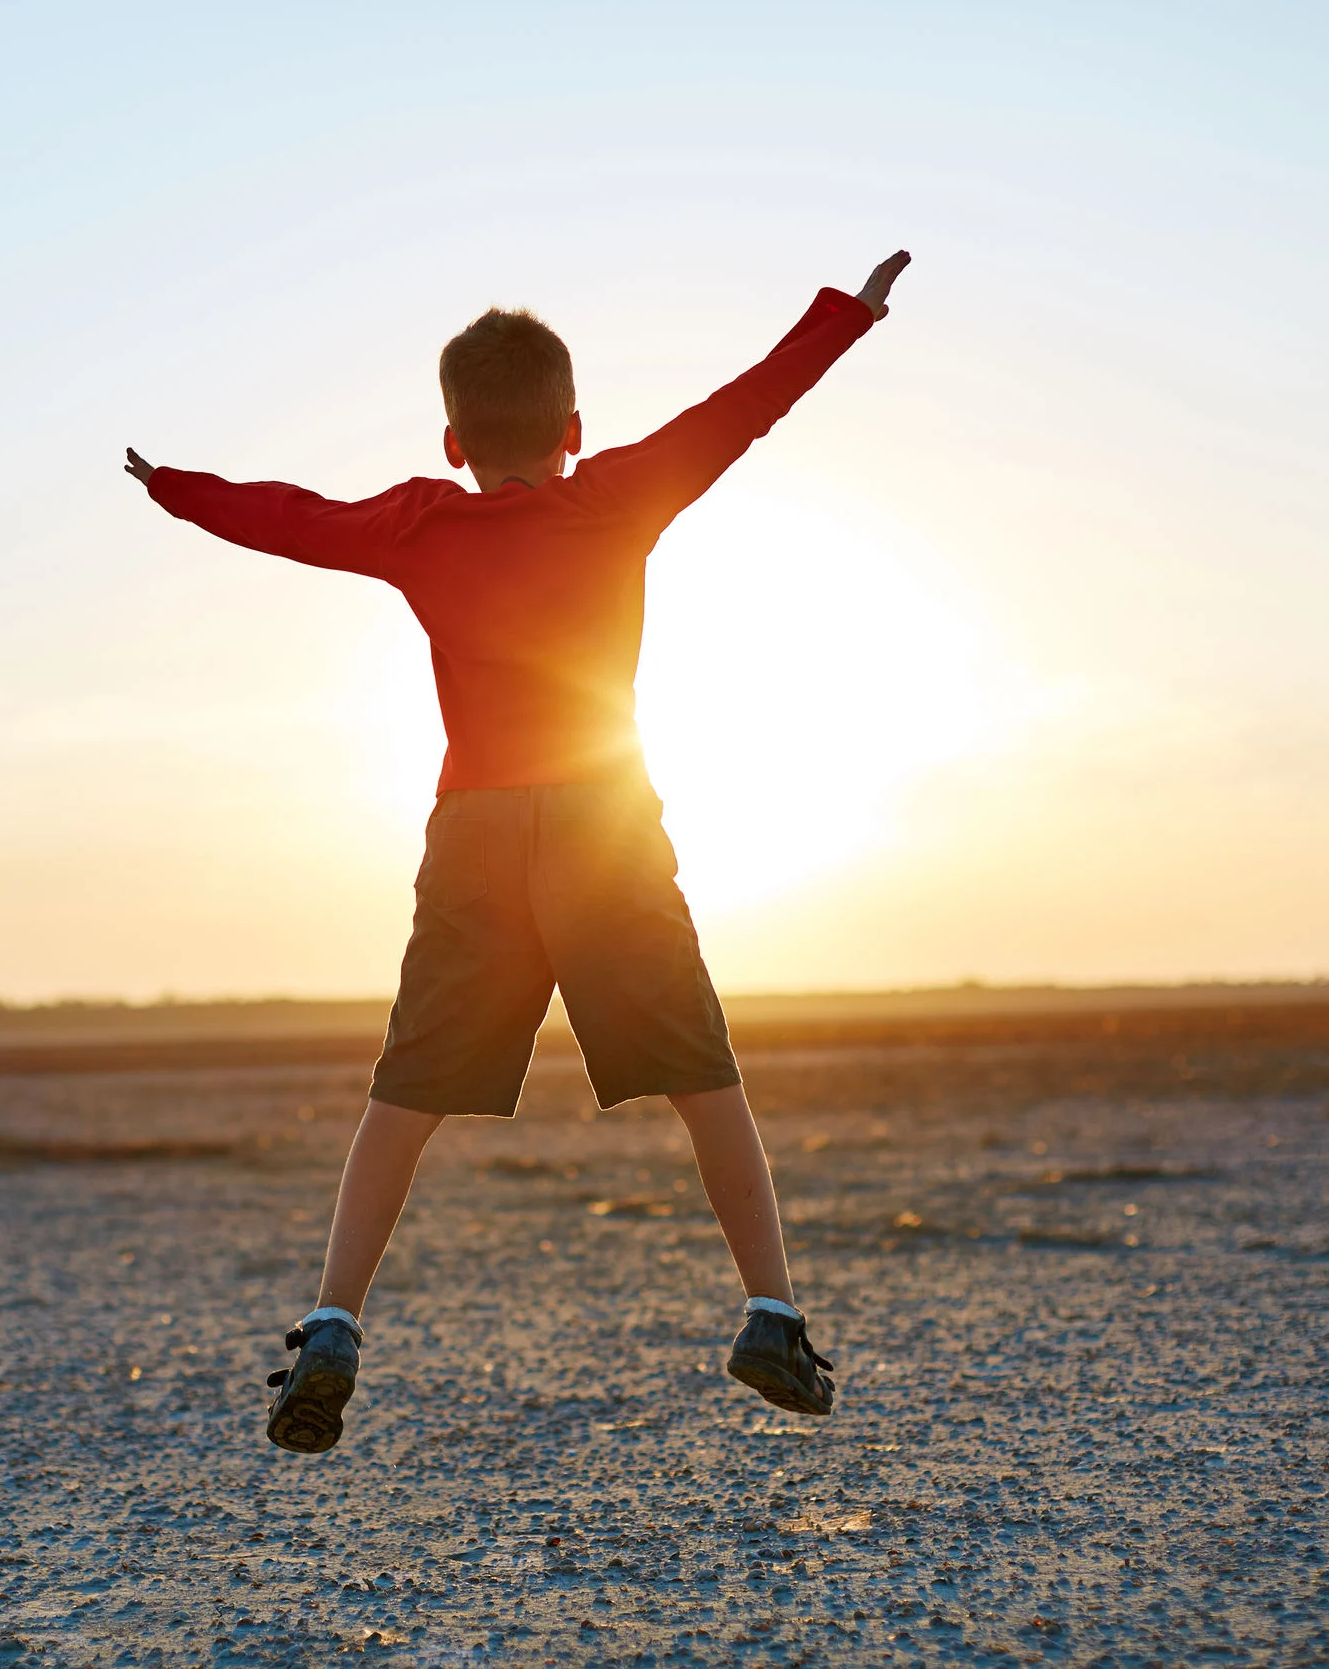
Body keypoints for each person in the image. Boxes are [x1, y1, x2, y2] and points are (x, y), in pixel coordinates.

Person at [124, 249, 911, 1453]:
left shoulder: (421, 522)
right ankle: (770, 1312)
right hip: (601, 822)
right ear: (575, 425)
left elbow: (294, 518)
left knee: (404, 1095)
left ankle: (332, 1322)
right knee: (705, 1078)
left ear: (453, 440)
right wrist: (849, 313)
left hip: (478, 830)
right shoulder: (617, 494)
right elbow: (745, 405)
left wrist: (173, 486)